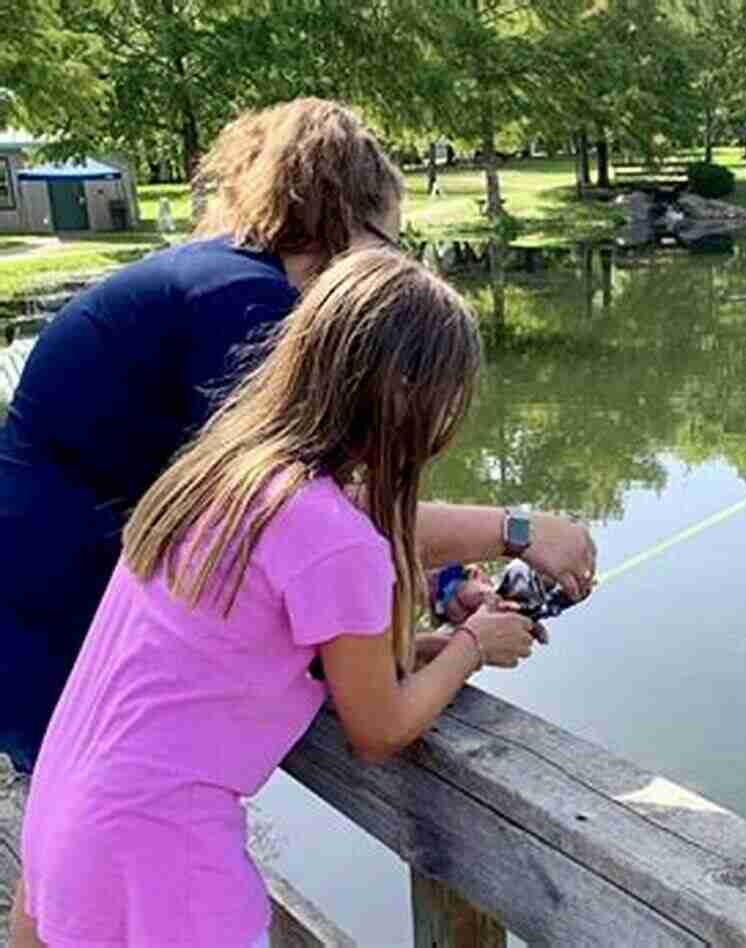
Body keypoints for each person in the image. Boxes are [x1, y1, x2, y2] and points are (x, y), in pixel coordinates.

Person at [0, 98, 593, 785]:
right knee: (83, 809)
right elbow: (308, 517)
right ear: (347, 219)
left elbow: (324, 518)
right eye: (389, 243)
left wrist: (445, 579)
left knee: (65, 835)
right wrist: (515, 529)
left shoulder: (224, 276)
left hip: (69, 593)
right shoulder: (247, 309)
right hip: (60, 601)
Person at [16, 250, 543, 948]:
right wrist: (475, 647)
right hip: (161, 847)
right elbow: (379, 728)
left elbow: (234, 650)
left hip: (69, 809)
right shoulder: (334, 536)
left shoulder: (221, 477)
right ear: (412, 400)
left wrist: (415, 649)